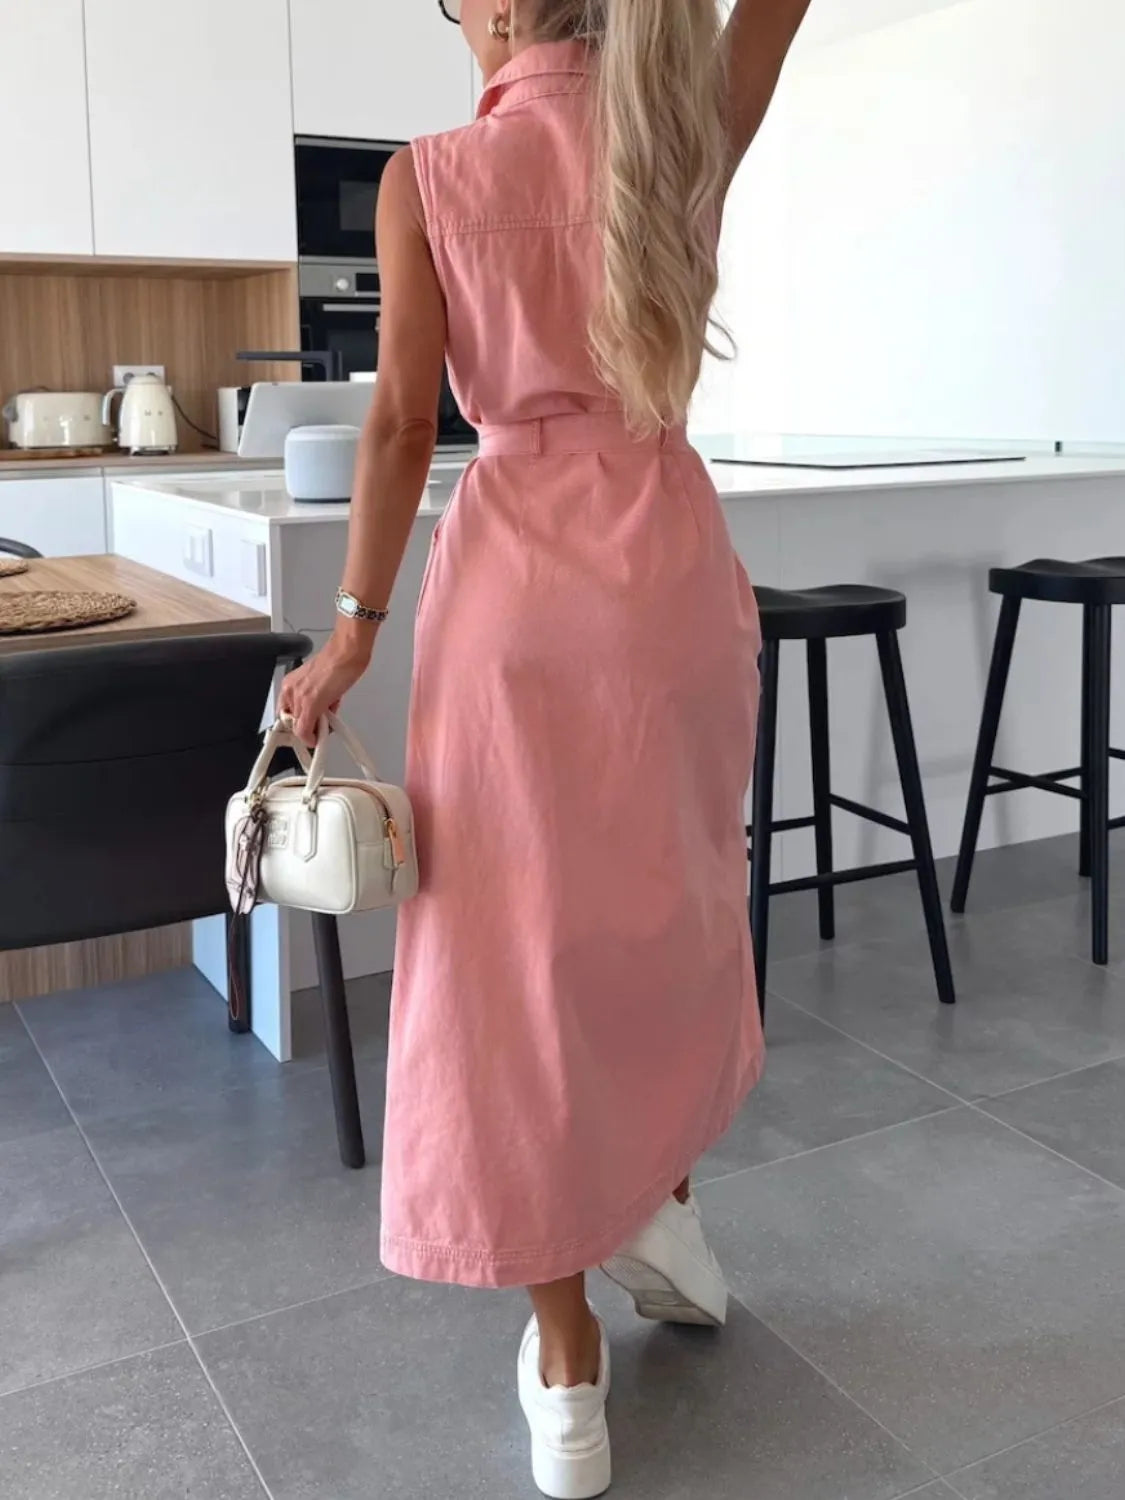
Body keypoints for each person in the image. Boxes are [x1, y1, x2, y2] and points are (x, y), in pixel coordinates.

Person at [278, 0, 810, 1493]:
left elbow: (401, 424)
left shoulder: (429, 175)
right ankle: (659, 1200)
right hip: (670, 583)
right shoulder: (671, 133)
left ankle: (568, 1370)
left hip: (514, 596)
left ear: (501, 10)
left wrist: (352, 634)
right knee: (666, 912)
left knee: (509, 964)